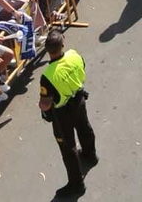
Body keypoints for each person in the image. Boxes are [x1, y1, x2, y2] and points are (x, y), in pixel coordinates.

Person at [39, 28, 96, 198]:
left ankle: (77, 185)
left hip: (62, 113)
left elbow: (45, 104)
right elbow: (82, 69)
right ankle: (90, 155)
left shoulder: (47, 76)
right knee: (84, 127)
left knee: (68, 148)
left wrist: (41, 105)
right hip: (79, 99)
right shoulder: (74, 55)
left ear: (48, 50)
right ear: (63, 44)